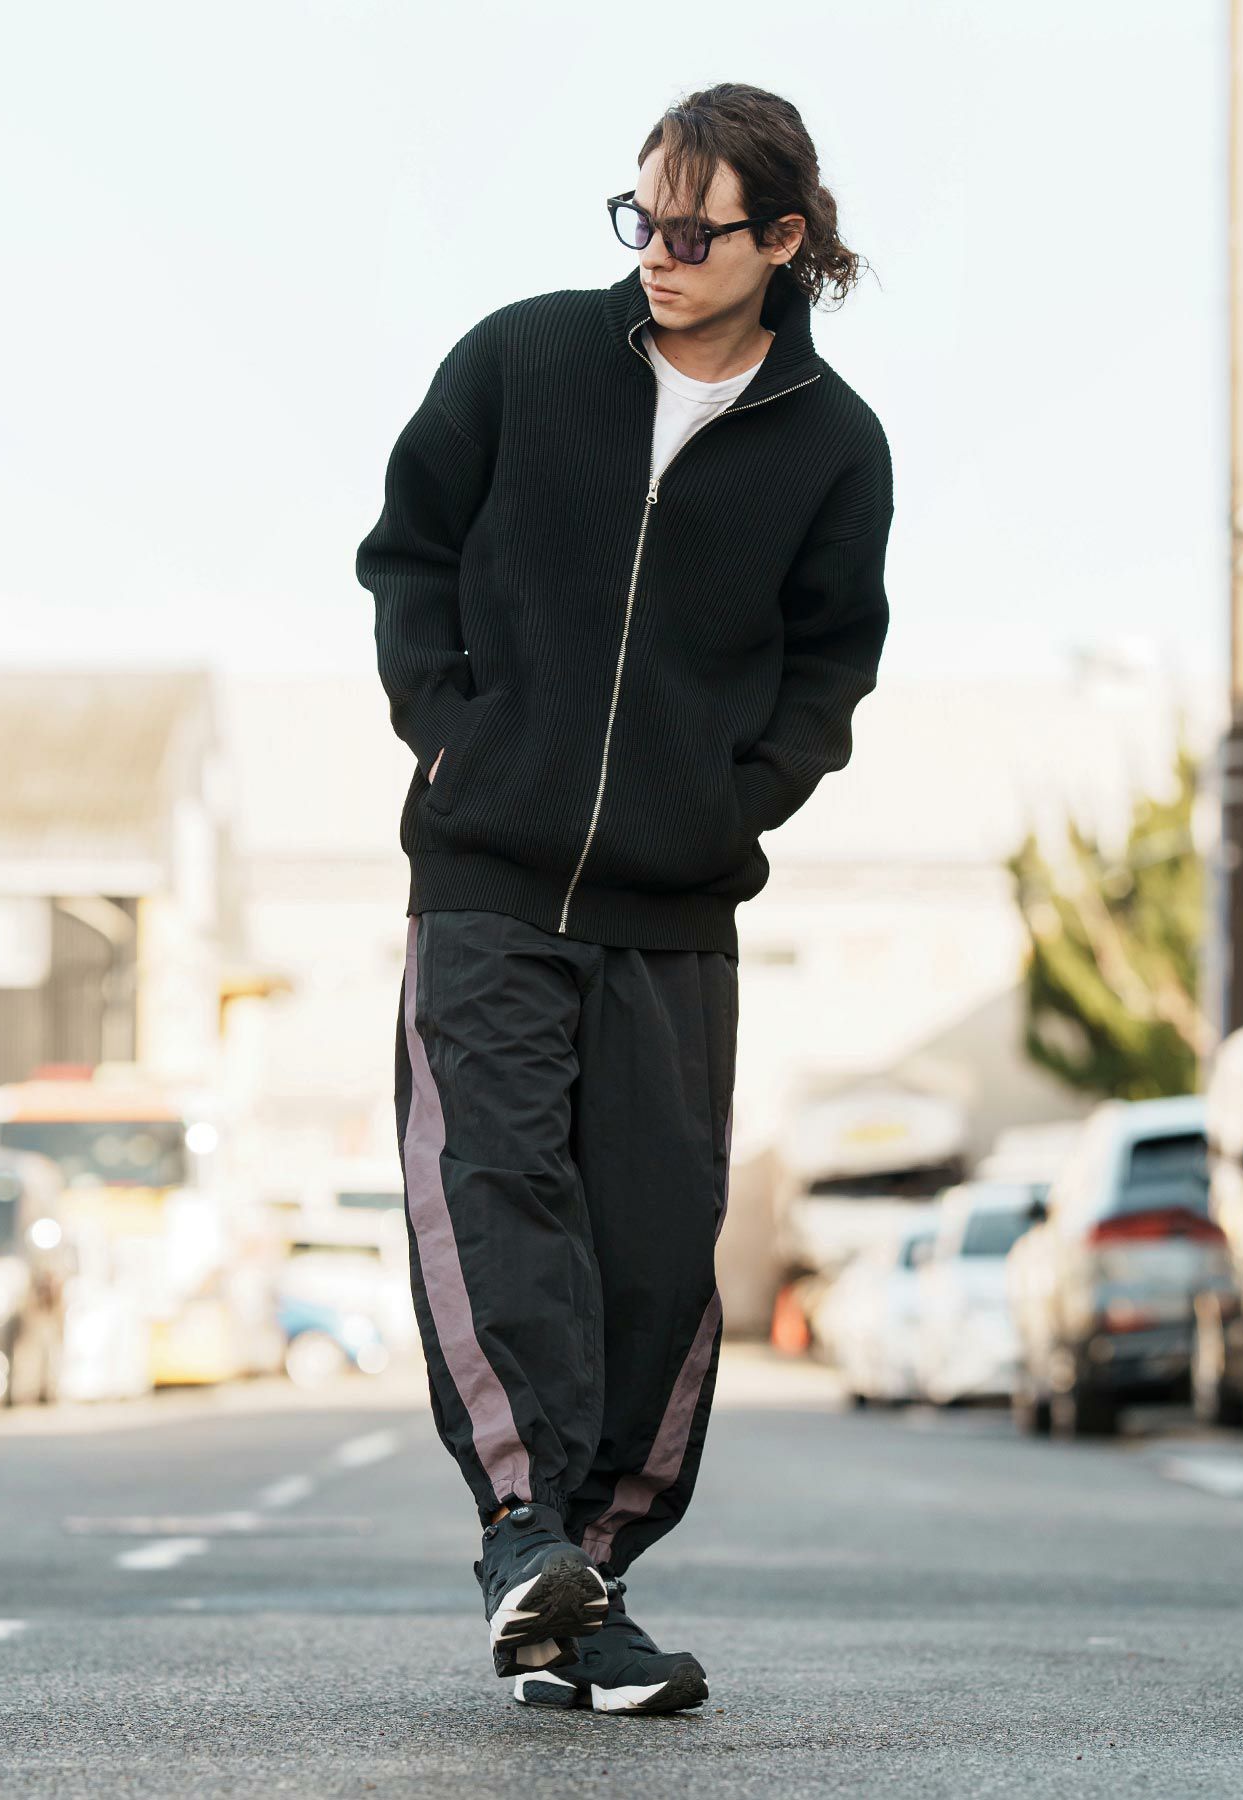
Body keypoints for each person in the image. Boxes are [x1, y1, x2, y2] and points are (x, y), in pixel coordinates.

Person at [354, 81, 894, 1715]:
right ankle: (526, 1528)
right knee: (499, 1187)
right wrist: (455, 737)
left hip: (676, 901)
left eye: (694, 230)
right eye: (640, 217)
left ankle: (582, 1592)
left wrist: (734, 801)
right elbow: (408, 553)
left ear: (780, 240)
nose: (658, 252)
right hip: (487, 877)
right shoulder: (522, 360)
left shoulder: (833, 444)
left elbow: (831, 665)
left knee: (657, 1248)